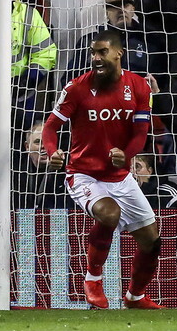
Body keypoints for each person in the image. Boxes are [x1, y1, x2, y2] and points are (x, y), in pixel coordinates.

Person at [41, 29, 162, 309]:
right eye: (93, 52)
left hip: (120, 176)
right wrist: (53, 152)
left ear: (118, 53)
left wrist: (127, 155)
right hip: (83, 174)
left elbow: (140, 134)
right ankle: (93, 279)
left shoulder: (140, 87)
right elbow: (50, 128)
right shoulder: (76, 88)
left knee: (151, 241)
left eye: (102, 52)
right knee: (109, 213)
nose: (96, 58)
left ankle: (135, 297)